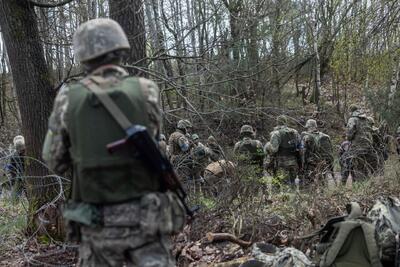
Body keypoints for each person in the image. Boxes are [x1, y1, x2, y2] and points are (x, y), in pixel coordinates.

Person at [42, 18, 184, 267]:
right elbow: (154, 141)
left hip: (96, 223)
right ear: (120, 48)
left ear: (83, 56)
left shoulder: (68, 99)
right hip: (146, 218)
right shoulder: (146, 89)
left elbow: (54, 160)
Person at [264, 115, 302, 184]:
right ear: (286, 122)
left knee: (282, 185)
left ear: (277, 122)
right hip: (293, 162)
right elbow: (300, 146)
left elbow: (274, 150)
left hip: (281, 163)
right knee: (293, 183)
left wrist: (268, 146)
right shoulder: (295, 132)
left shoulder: (276, 133)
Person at [301, 119, 334, 184]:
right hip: (324, 162)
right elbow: (331, 150)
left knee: (309, 181)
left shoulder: (306, 137)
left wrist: (302, 163)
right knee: (322, 180)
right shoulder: (325, 136)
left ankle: (310, 193)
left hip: (311, 163)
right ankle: (323, 192)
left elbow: (303, 151)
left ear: (308, 126)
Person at [346, 105, 374, 181]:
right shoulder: (366, 119)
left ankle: (361, 186)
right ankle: (368, 184)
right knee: (366, 167)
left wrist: (349, 138)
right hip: (368, 146)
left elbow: (349, 134)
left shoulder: (352, 119)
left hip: (357, 148)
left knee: (358, 167)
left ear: (351, 111)